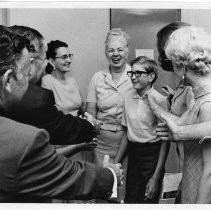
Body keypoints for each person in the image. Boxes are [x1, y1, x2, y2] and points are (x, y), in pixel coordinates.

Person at [0, 26, 122, 202]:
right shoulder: (22, 142)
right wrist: (111, 175)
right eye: (26, 74)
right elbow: (67, 177)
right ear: (8, 80)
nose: (30, 80)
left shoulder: (71, 82)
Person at [149, 26, 211, 203]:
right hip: (191, 182)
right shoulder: (198, 96)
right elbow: (185, 128)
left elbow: (210, 173)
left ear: (181, 64)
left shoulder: (206, 102)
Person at [8, 25, 98, 146]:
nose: (45, 65)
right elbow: (55, 125)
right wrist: (90, 126)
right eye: (44, 59)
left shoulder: (72, 81)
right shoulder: (40, 93)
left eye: (69, 56)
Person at [86, 28, 133, 202]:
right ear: (106, 52)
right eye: (111, 50)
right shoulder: (97, 78)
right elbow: (90, 111)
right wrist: (91, 125)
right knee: (101, 189)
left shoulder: (135, 76)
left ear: (127, 50)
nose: (116, 54)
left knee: (121, 190)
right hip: (100, 144)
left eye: (120, 49)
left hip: (126, 144)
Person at [122, 56, 169, 203]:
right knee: (130, 200)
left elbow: (165, 142)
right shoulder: (128, 97)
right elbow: (126, 132)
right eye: (131, 73)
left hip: (152, 155)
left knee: (148, 200)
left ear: (151, 76)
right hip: (134, 154)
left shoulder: (160, 100)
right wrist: (115, 163)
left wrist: (156, 176)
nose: (133, 77)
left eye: (138, 73)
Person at [156, 21, 193, 203]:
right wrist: (174, 99)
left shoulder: (195, 84)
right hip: (184, 167)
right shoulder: (183, 81)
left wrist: (159, 110)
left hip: (194, 168)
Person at [42, 40, 83, 116]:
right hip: (61, 126)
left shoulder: (72, 81)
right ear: (51, 61)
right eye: (64, 57)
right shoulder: (46, 82)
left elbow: (81, 108)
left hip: (79, 124)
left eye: (69, 56)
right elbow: (49, 115)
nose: (69, 60)